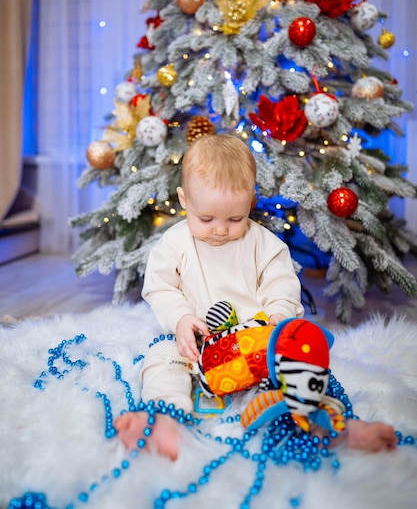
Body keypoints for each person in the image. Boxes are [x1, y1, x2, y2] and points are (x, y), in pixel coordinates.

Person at [115, 134, 397, 459]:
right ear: (184, 200)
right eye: (206, 218)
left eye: (235, 219)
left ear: (250, 202)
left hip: (256, 343)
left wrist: (279, 315)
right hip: (197, 344)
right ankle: (165, 417)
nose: (220, 229)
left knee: (298, 367)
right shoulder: (175, 243)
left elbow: (281, 282)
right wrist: (180, 318)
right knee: (162, 359)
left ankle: (329, 426)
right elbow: (160, 286)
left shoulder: (264, 243)